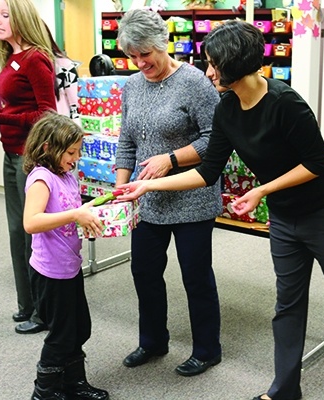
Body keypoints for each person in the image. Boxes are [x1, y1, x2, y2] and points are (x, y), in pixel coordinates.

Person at [116, 20, 324, 400]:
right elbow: (207, 170)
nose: (208, 71)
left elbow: (316, 163)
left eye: (214, 63)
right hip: (284, 216)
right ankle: (283, 391)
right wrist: (147, 184)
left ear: (234, 64)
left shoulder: (285, 102)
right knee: (287, 304)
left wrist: (262, 189)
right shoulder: (228, 108)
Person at [115, 9, 223, 377]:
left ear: (163, 43)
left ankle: (207, 349)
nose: (140, 62)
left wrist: (171, 159)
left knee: (195, 276)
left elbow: (217, 140)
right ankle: (152, 341)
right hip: (148, 200)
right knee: (144, 271)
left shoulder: (194, 82)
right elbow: (126, 140)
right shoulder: (131, 85)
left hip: (191, 197)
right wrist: (120, 186)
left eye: (146, 53)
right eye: (133, 55)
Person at [0, 0, 58, 334]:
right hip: (10, 153)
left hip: (29, 158)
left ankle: (45, 312)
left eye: (5, 15)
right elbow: (15, 106)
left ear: (21, 18)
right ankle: (27, 304)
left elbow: (47, 114)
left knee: (33, 233)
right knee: (18, 233)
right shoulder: (11, 58)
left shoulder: (35, 59)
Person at [22, 112, 109, 400]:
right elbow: (31, 222)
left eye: (79, 152)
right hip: (50, 273)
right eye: (71, 152)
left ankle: (73, 383)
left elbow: (71, 209)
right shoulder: (41, 179)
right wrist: (74, 214)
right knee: (60, 335)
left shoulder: (66, 176)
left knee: (79, 328)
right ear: (48, 148)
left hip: (70, 267)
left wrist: (98, 207)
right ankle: (44, 393)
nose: (76, 158)